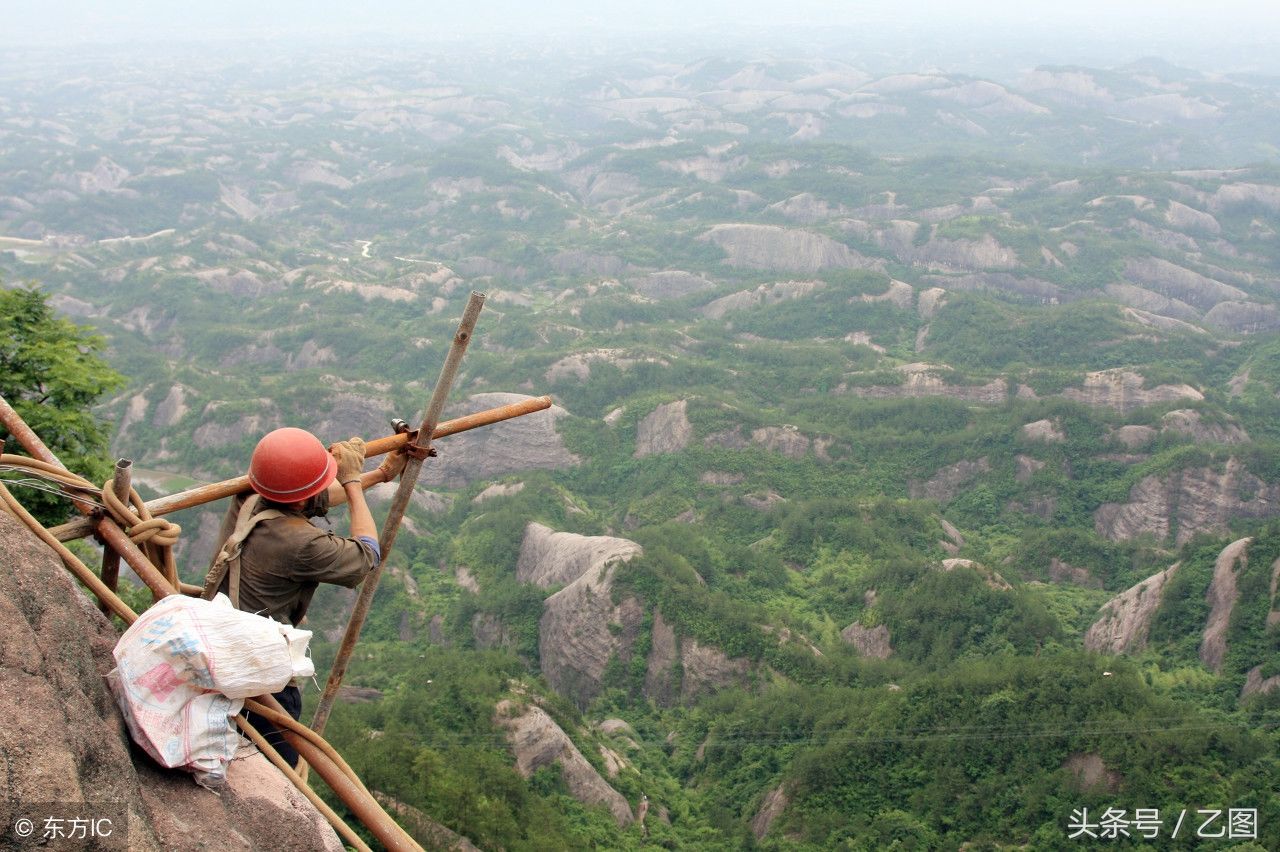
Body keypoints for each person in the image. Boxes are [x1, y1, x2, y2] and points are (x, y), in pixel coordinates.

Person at [203, 426, 408, 766]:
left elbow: (312, 499)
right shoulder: (301, 544)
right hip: (261, 675)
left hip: (218, 643)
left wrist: (382, 474)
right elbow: (366, 556)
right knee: (276, 767)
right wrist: (353, 482)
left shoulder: (250, 497)